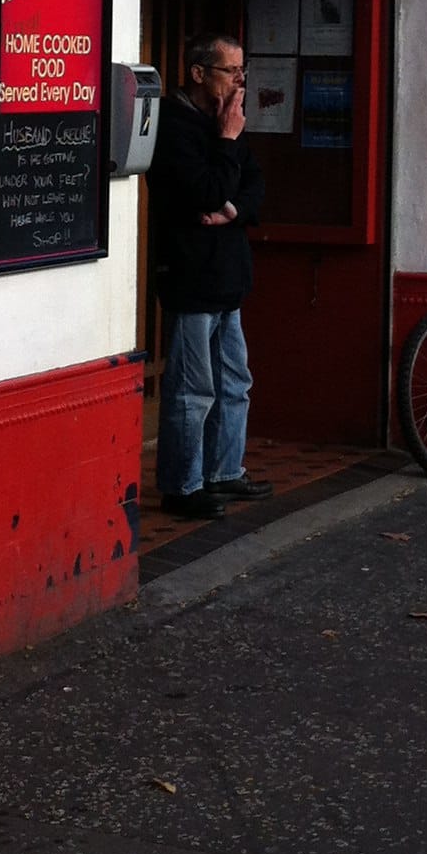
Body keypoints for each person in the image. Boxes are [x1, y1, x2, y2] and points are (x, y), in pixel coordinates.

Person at [149, 32, 269, 520]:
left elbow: (256, 183)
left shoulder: (229, 125)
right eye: (230, 71)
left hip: (228, 275)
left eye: (243, 71)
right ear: (198, 73)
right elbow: (204, 189)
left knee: (235, 381)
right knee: (192, 388)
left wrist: (234, 209)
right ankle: (183, 485)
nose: (239, 82)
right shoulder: (176, 126)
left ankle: (224, 470)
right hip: (191, 276)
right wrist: (225, 145)